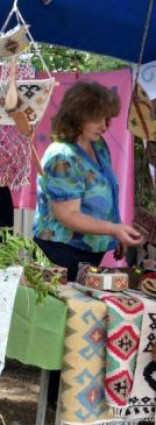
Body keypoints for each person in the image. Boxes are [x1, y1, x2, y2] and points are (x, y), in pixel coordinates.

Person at [33, 81, 143, 282]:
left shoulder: (98, 145)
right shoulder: (62, 156)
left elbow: (107, 192)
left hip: (88, 253)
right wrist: (113, 229)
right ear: (77, 117)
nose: (104, 125)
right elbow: (67, 215)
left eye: (106, 118)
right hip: (59, 253)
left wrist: (116, 230)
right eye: (97, 118)